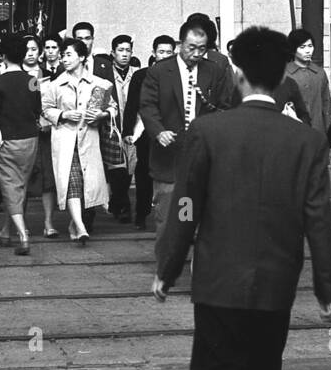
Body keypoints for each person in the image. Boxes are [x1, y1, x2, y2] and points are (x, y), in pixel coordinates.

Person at [153, 25, 331, 370]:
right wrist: (327, 288)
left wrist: (168, 266)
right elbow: (318, 217)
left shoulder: (209, 132)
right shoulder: (306, 141)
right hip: (277, 278)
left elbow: (186, 207)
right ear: (283, 74)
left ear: (236, 74)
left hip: (218, 277)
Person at [139, 18, 233, 241]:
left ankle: (190, 259)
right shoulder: (160, 71)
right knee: (166, 213)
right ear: (180, 44)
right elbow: (147, 105)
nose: (196, 53)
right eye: (191, 48)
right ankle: (166, 265)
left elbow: (225, 106)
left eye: (202, 48)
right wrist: (158, 131)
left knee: (188, 212)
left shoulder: (215, 71)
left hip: (200, 155)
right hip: (168, 154)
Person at [41, 37, 110, 244]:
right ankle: (80, 226)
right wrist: (62, 115)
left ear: (82, 57)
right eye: (63, 55)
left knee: (84, 182)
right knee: (71, 181)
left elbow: (112, 107)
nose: (64, 58)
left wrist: (101, 115)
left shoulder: (99, 84)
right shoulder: (55, 84)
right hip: (65, 139)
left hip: (88, 139)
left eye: (69, 54)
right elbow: (45, 108)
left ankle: (74, 224)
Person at [0, 33, 41, 255]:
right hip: (31, 139)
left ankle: (23, 234)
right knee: (21, 186)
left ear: (4, 55)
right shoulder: (32, 80)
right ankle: (6, 232)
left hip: (8, 139)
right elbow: (37, 109)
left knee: (10, 187)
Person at [126, 35, 175, 230]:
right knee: (144, 172)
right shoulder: (141, 75)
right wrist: (127, 130)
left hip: (172, 132)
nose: (164, 55)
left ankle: (181, 218)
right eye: (161, 51)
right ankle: (141, 214)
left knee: (174, 177)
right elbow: (132, 104)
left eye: (168, 52)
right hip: (146, 131)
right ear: (154, 53)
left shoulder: (180, 75)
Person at [97, 34, 138, 222]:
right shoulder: (105, 74)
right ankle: (123, 206)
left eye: (128, 50)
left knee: (130, 166)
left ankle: (117, 201)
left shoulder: (136, 73)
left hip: (133, 126)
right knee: (117, 167)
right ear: (112, 53)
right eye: (120, 50)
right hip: (112, 126)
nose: (124, 54)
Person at [23, 35, 61, 237]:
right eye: (27, 49)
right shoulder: (16, 74)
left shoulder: (49, 75)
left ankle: (48, 223)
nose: (30, 53)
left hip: (46, 134)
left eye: (34, 50)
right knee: (23, 180)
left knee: (48, 180)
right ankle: (22, 225)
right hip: (23, 134)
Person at [285, 29, 331, 142]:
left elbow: (326, 106)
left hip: (317, 133)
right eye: (302, 47)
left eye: (310, 46)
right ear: (293, 50)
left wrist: (328, 137)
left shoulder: (319, 73)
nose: (308, 51)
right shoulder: (284, 73)